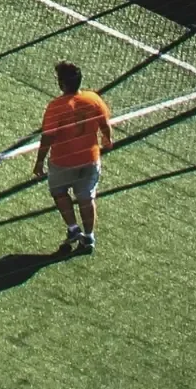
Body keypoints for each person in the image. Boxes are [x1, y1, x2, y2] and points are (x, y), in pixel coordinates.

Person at [33, 59, 113, 254]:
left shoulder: (56, 106)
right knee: (86, 197)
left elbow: (48, 136)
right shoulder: (93, 99)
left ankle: (73, 228)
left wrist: (39, 161)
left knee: (59, 193)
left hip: (63, 161)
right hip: (90, 159)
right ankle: (89, 237)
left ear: (62, 84)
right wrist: (107, 141)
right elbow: (105, 124)